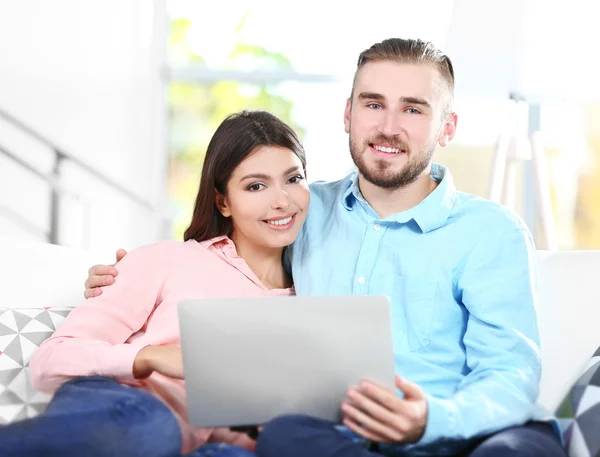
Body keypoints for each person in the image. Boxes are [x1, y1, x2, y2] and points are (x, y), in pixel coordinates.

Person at [85, 38, 567, 457]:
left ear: (448, 126)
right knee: (285, 437)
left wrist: (432, 420)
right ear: (347, 114)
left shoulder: (491, 232)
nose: (388, 126)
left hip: (470, 434)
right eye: (373, 104)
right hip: (342, 439)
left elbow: (509, 374)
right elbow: (219, 260)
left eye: (413, 109)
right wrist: (130, 279)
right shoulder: (298, 209)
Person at [0, 110, 310, 457]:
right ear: (223, 202)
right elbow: (51, 360)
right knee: (149, 429)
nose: (282, 200)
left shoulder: (313, 296)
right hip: (130, 407)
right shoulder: (167, 260)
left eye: (294, 178)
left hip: (206, 446)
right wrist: (151, 357)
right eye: (256, 185)